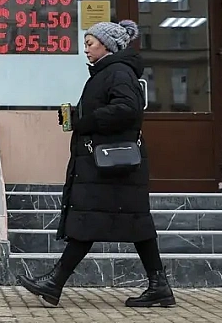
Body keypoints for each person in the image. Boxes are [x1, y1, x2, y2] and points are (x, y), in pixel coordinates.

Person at [17, 20, 175, 308]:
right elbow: (111, 109)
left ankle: (54, 282)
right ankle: (159, 286)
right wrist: (77, 114)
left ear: (107, 45)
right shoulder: (108, 73)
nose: (86, 49)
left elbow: (127, 110)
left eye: (90, 43)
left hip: (112, 165)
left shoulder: (118, 72)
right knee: (129, 222)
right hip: (109, 165)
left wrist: (84, 120)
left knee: (93, 220)